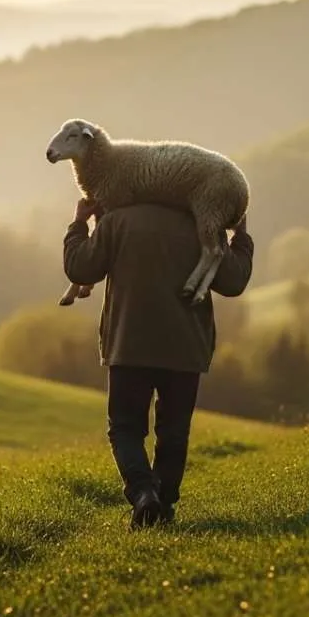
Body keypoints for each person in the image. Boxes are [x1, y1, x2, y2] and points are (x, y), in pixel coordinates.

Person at [62, 197, 255, 528]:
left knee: (125, 427)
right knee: (174, 430)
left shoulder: (118, 220)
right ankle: (162, 505)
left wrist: (79, 224)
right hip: (185, 346)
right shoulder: (201, 220)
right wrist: (242, 237)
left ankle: (143, 495)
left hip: (129, 343)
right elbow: (232, 282)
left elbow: (80, 268)